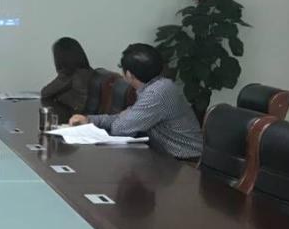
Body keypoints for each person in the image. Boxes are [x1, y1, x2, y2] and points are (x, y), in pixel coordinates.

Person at [69, 43, 203, 160]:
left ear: (128, 74)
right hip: (167, 156)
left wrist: (123, 117)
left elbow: (121, 128)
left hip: (184, 161)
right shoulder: (158, 86)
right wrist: (90, 120)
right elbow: (127, 119)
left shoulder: (156, 93)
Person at [39, 37, 94, 121]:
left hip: (76, 119)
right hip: (84, 116)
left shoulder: (69, 74)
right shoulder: (88, 71)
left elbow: (45, 93)